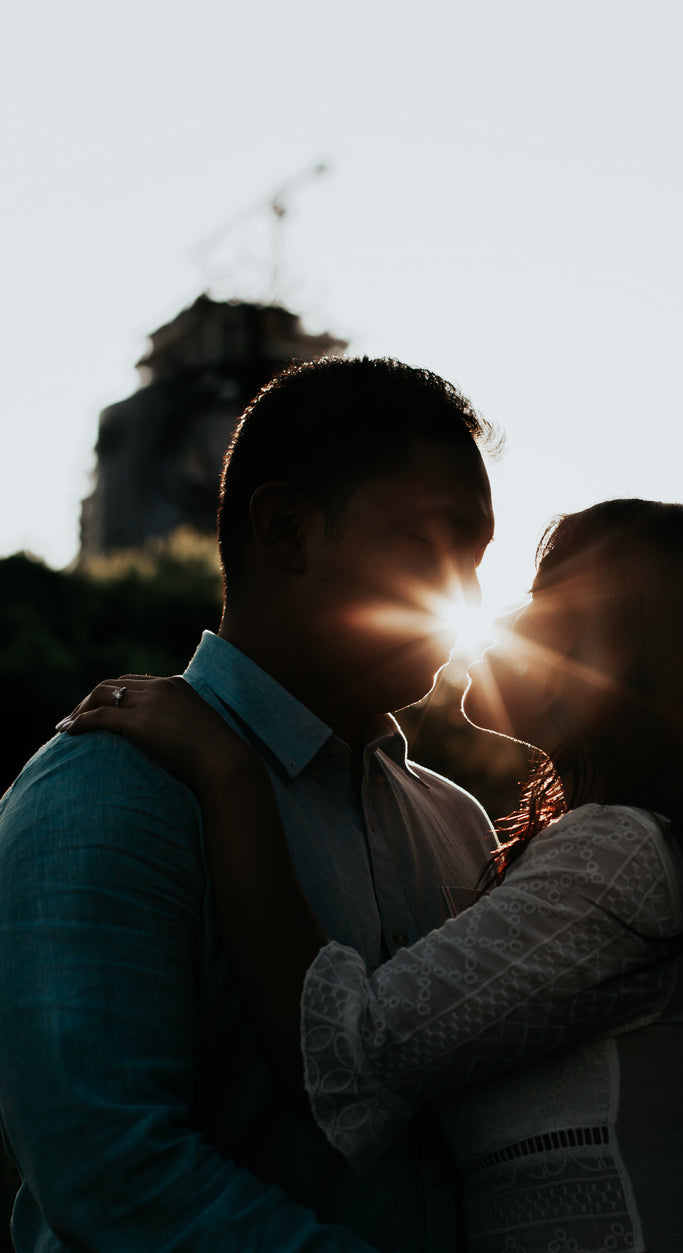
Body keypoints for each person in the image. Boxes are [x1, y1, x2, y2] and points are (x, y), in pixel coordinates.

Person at [62, 500, 683, 1253]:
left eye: (546, 598)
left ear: (622, 655)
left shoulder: (624, 854)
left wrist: (227, 773)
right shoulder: (633, 851)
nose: (502, 617)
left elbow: (347, 1054)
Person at [0, 356, 500, 1253]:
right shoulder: (108, 786)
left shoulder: (457, 824)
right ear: (283, 530)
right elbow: (111, 1170)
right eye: (428, 545)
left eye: (476, 556)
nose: (465, 594)